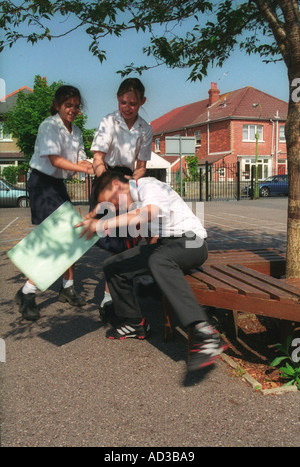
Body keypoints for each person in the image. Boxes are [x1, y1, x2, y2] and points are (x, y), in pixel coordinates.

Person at [76, 172, 228, 372]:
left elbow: (150, 212)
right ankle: (135, 322)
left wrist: (101, 224)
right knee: (114, 265)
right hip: (167, 247)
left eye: (112, 201)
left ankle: (204, 332)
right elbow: (145, 233)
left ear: (117, 185)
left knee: (159, 260)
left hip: (193, 242)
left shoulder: (149, 186)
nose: (115, 207)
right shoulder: (132, 203)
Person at [15, 85, 94, 321]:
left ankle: (67, 287)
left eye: (76, 106)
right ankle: (26, 293)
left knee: (72, 236)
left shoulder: (77, 131)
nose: (72, 109)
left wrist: (91, 164)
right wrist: (82, 167)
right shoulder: (49, 125)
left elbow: (81, 157)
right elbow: (54, 159)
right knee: (56, 239)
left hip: (57, 185)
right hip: (41, 184)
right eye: (68, 105)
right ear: (58, 105)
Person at [88, 78, 153, 310]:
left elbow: (142, 165)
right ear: (118, 99)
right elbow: (98, 158)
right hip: (106, 178)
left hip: (127, 181)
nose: (127, 107)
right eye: (123, 102)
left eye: (133, 103)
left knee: (126, 240)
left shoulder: (146, 128)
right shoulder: (109, 121)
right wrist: (105, 183)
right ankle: (46, 281)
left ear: (142, 102)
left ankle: (109, 296)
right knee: (94, 234)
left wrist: (133, 182)